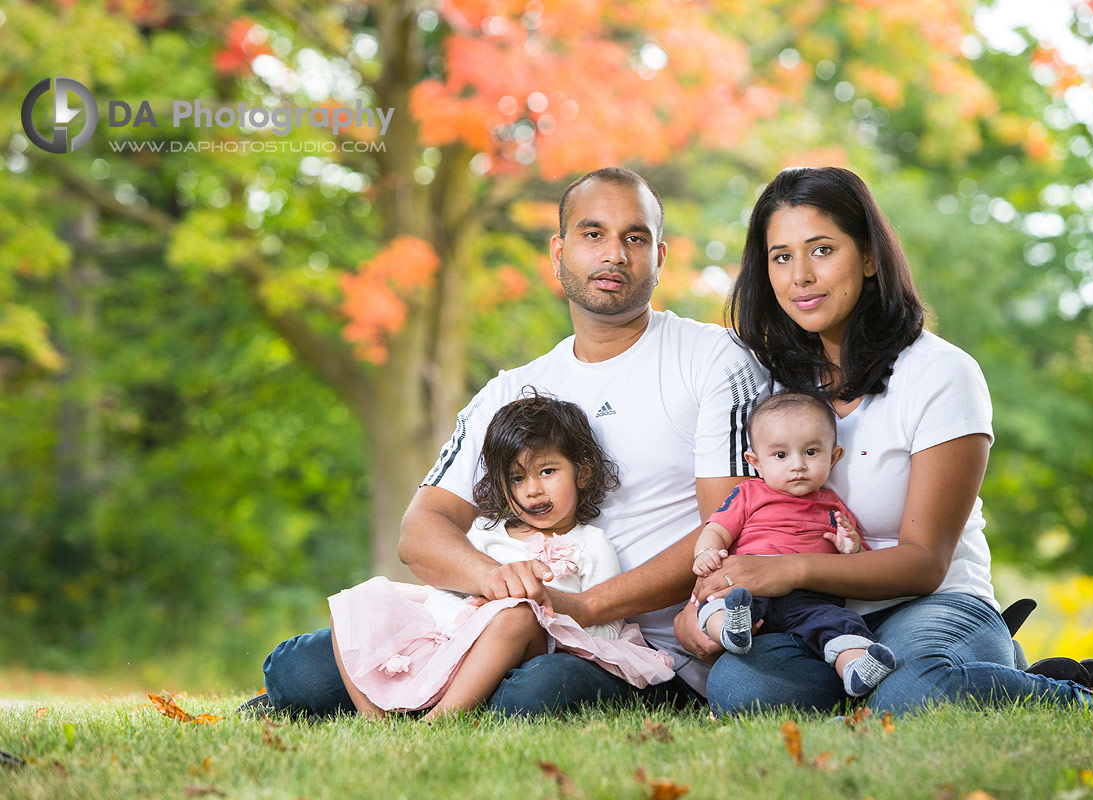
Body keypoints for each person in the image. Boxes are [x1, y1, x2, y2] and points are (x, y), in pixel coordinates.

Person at [249, 167, 768, 717]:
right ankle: (452, 689)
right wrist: (493, 579)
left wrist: (584, 606)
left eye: (634, 238)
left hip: (641, 647)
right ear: (558, 252)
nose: (614, 254)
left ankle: (444, 703)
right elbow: (421, 530)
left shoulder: (715, 359)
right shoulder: (510, 391)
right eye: (593, 234)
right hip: (492, 623)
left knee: (537, 691)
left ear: (659, 257)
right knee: (299, 671)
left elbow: (732, 526)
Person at [674, 166, 1093, 715]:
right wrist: (697, 608)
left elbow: (925, 563)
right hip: (812, 616)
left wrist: (789, 570)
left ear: (870, 257)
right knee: (744, 688)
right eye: (781, 257)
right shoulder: (773, 389)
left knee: (913, 691)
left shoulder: (940, 373)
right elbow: (738, 523)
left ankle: (1067, 691)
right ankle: (876, 690)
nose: (800, 275)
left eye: (821, 249)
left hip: (932, 603)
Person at [329, 393, 675, 719]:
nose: (532, 489)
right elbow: (445, 593)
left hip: (537, 644)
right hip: (460, 635)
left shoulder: (591, 543)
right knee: (356, 602)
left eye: (547, 472)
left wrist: (544, 613)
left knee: (516, 615)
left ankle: (441, 720)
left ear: (581, 473)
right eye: (516, 478)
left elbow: (607, 629)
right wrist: (469, 611)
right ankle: (374, 719)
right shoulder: (484, 532)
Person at [693, 390, 896, 697]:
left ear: (834, 456)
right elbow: (717, 529)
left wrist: (850, 547)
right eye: (780, 455)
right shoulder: (749, 493)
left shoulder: (834, 507)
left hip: (811, 598)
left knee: (840, 624)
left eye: (811, 452)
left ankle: (855, 667)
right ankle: (732, 629)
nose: (798, 465)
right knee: (720, 602)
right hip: (752, 586)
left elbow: (859, 563)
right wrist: (706, 553)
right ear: (755, 462)